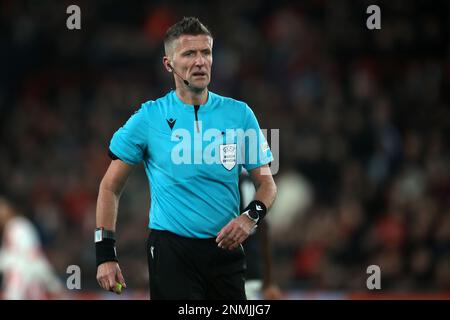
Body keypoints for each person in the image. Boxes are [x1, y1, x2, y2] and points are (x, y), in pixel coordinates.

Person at [95, 17, 277, 300]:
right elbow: (110, 187)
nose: (200, 61)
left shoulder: (240, 114)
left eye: (206, 52)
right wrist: (105, 254)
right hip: (171, 253)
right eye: (189, 54)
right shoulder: (148, 117)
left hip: (226, 251)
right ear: (169, 64)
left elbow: (267, 185)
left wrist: (249, 217)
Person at [0, 197, 63, 300]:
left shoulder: (20, 227)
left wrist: (52, 283)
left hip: (25, 285)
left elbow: (34, 256)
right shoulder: (11, 228)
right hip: (15, 285)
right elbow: (7, 257)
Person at [240, 173, 282, 300]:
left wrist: (269, 281)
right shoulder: (252, 181)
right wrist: (269, 280)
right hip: (251, 271)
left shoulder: (228, 179)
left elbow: (263, 228)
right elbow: (264, 229)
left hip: (238, 271)